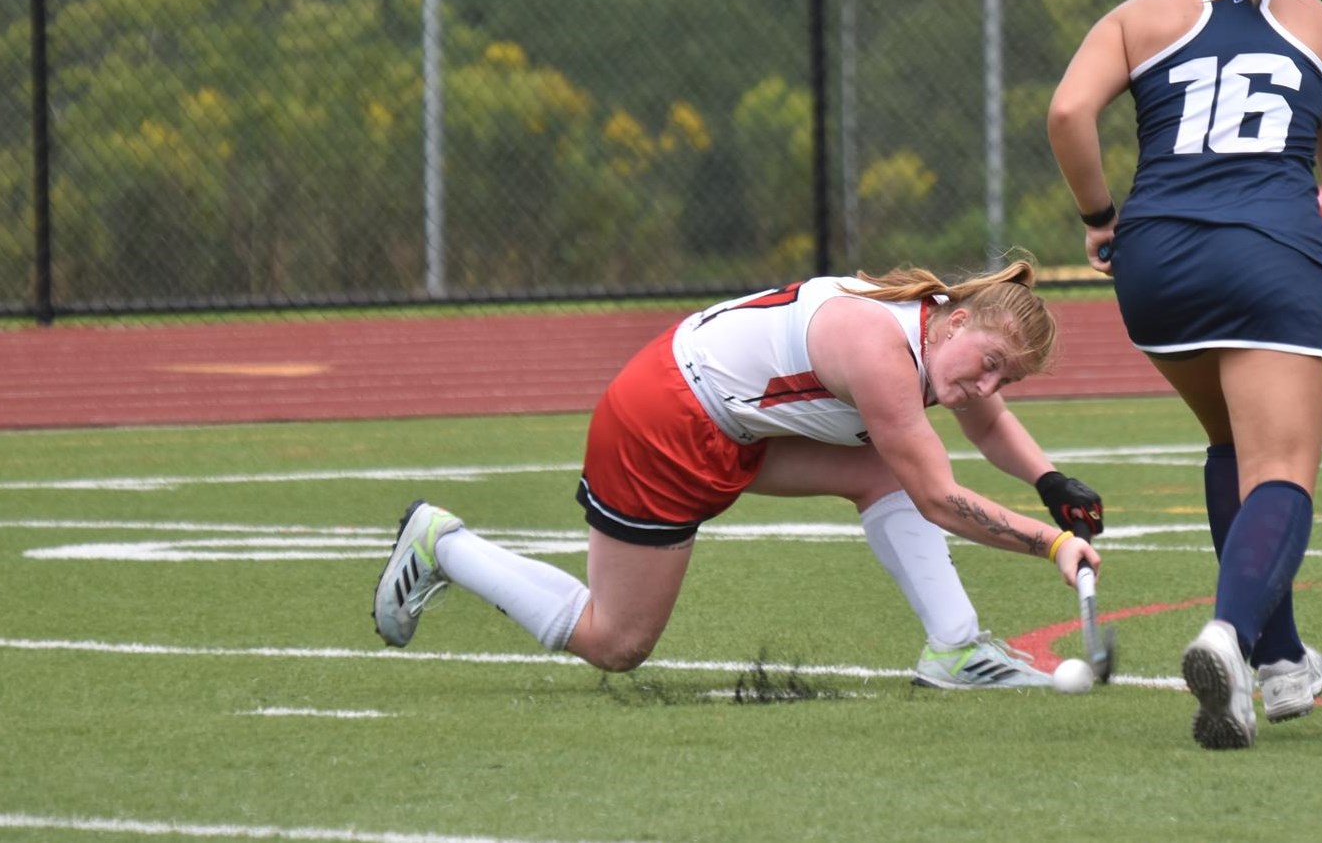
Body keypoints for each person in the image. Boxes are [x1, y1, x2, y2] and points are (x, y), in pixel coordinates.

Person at [373, 259, 1106, 689]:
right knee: (616, 643)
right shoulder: (881, 351)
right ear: (951, 321)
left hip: (728, 423)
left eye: (1004, 378)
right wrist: (1050, 545)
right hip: (663, 423)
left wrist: (1049, 480)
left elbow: (985, 423)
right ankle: (444, 544)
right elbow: (939, 499)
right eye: (988, 363)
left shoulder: (935, 332)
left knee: (878, 471)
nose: (987, 387)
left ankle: (954, 647)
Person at [1046, 0, 1322, 748]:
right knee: (1282, 470)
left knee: (1236, 446)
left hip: (1154, 267)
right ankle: (1227, 638)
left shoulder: (1140, 12)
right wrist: (1309, 304)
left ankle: (1280, 662)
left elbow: (1066, 114)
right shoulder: (1317, 23)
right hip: (1269, 254)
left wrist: (1098, 214)